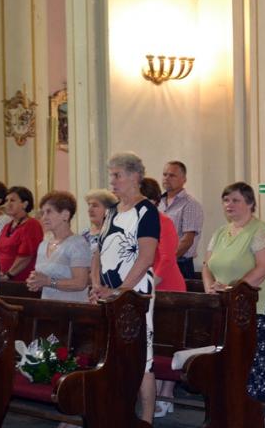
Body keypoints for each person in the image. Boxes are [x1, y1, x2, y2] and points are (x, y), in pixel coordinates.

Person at [90, 152, 158, 423]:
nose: (113, 181)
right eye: (112, 175)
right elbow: (98, 251)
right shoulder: (111, 212)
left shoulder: (146, 211)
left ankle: (147, 420)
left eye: (117, 175)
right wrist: (96, 284)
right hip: (108, 293)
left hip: (135, 294)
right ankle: (117, 412)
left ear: (134, 177)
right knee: (113, 355)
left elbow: (146, 257)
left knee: (143, 358)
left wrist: (120, 291)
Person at [203, 182, 265, 402]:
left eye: (235, 200)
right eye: (226, 200)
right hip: (226, 302)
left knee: (254, 356)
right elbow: (206, 265)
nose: (229, 204)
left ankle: (256, 404)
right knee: (230, 355)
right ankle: (234, 399)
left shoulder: (260, 230)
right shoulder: (220, 232)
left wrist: (234, 290)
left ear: (250, 203)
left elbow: (264, 267)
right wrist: (210, 287)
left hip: (256, 302)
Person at [139, 177, 185, 418]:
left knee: (168, 343)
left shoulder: (163, 221)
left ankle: (167, 394)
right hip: (147, 287)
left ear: (153, 201)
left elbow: (167, 258)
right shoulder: (136, 223)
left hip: (167, 286)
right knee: (151, 343)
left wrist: (149, 285)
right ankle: (154, 392)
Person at [25, 191, 91, 302]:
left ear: (65, 215)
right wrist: (36, 282)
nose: (44, 217)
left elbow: (81, 283)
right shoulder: (43, 245)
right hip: (48, 307)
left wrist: (47, 281)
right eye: (43, 213)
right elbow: (44, 282)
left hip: (73, 309)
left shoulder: (77, 244)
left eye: (49, 212)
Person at [158, 161, 204, 279]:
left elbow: (187, 240)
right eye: (165, 174)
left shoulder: (190, 204)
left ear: (184, 179)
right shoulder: (159, 203)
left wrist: (167, 261)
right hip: (160, 262)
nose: (167, 178)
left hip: (180, 263)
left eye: (172, 175)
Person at [0, 186, 44, 282]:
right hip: (3, 278)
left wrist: (9, 275)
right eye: (6, 200)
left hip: (22, 282)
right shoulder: (7, 226)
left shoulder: (32, 224)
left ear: (25, 204)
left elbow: (26, 256)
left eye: (12, 200)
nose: (7, 204)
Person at [81, 189, 118, 253]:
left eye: (95, 206)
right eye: (89, 205)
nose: (90, 210)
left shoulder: (114, 234)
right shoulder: (84, 234)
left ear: (108, 210)